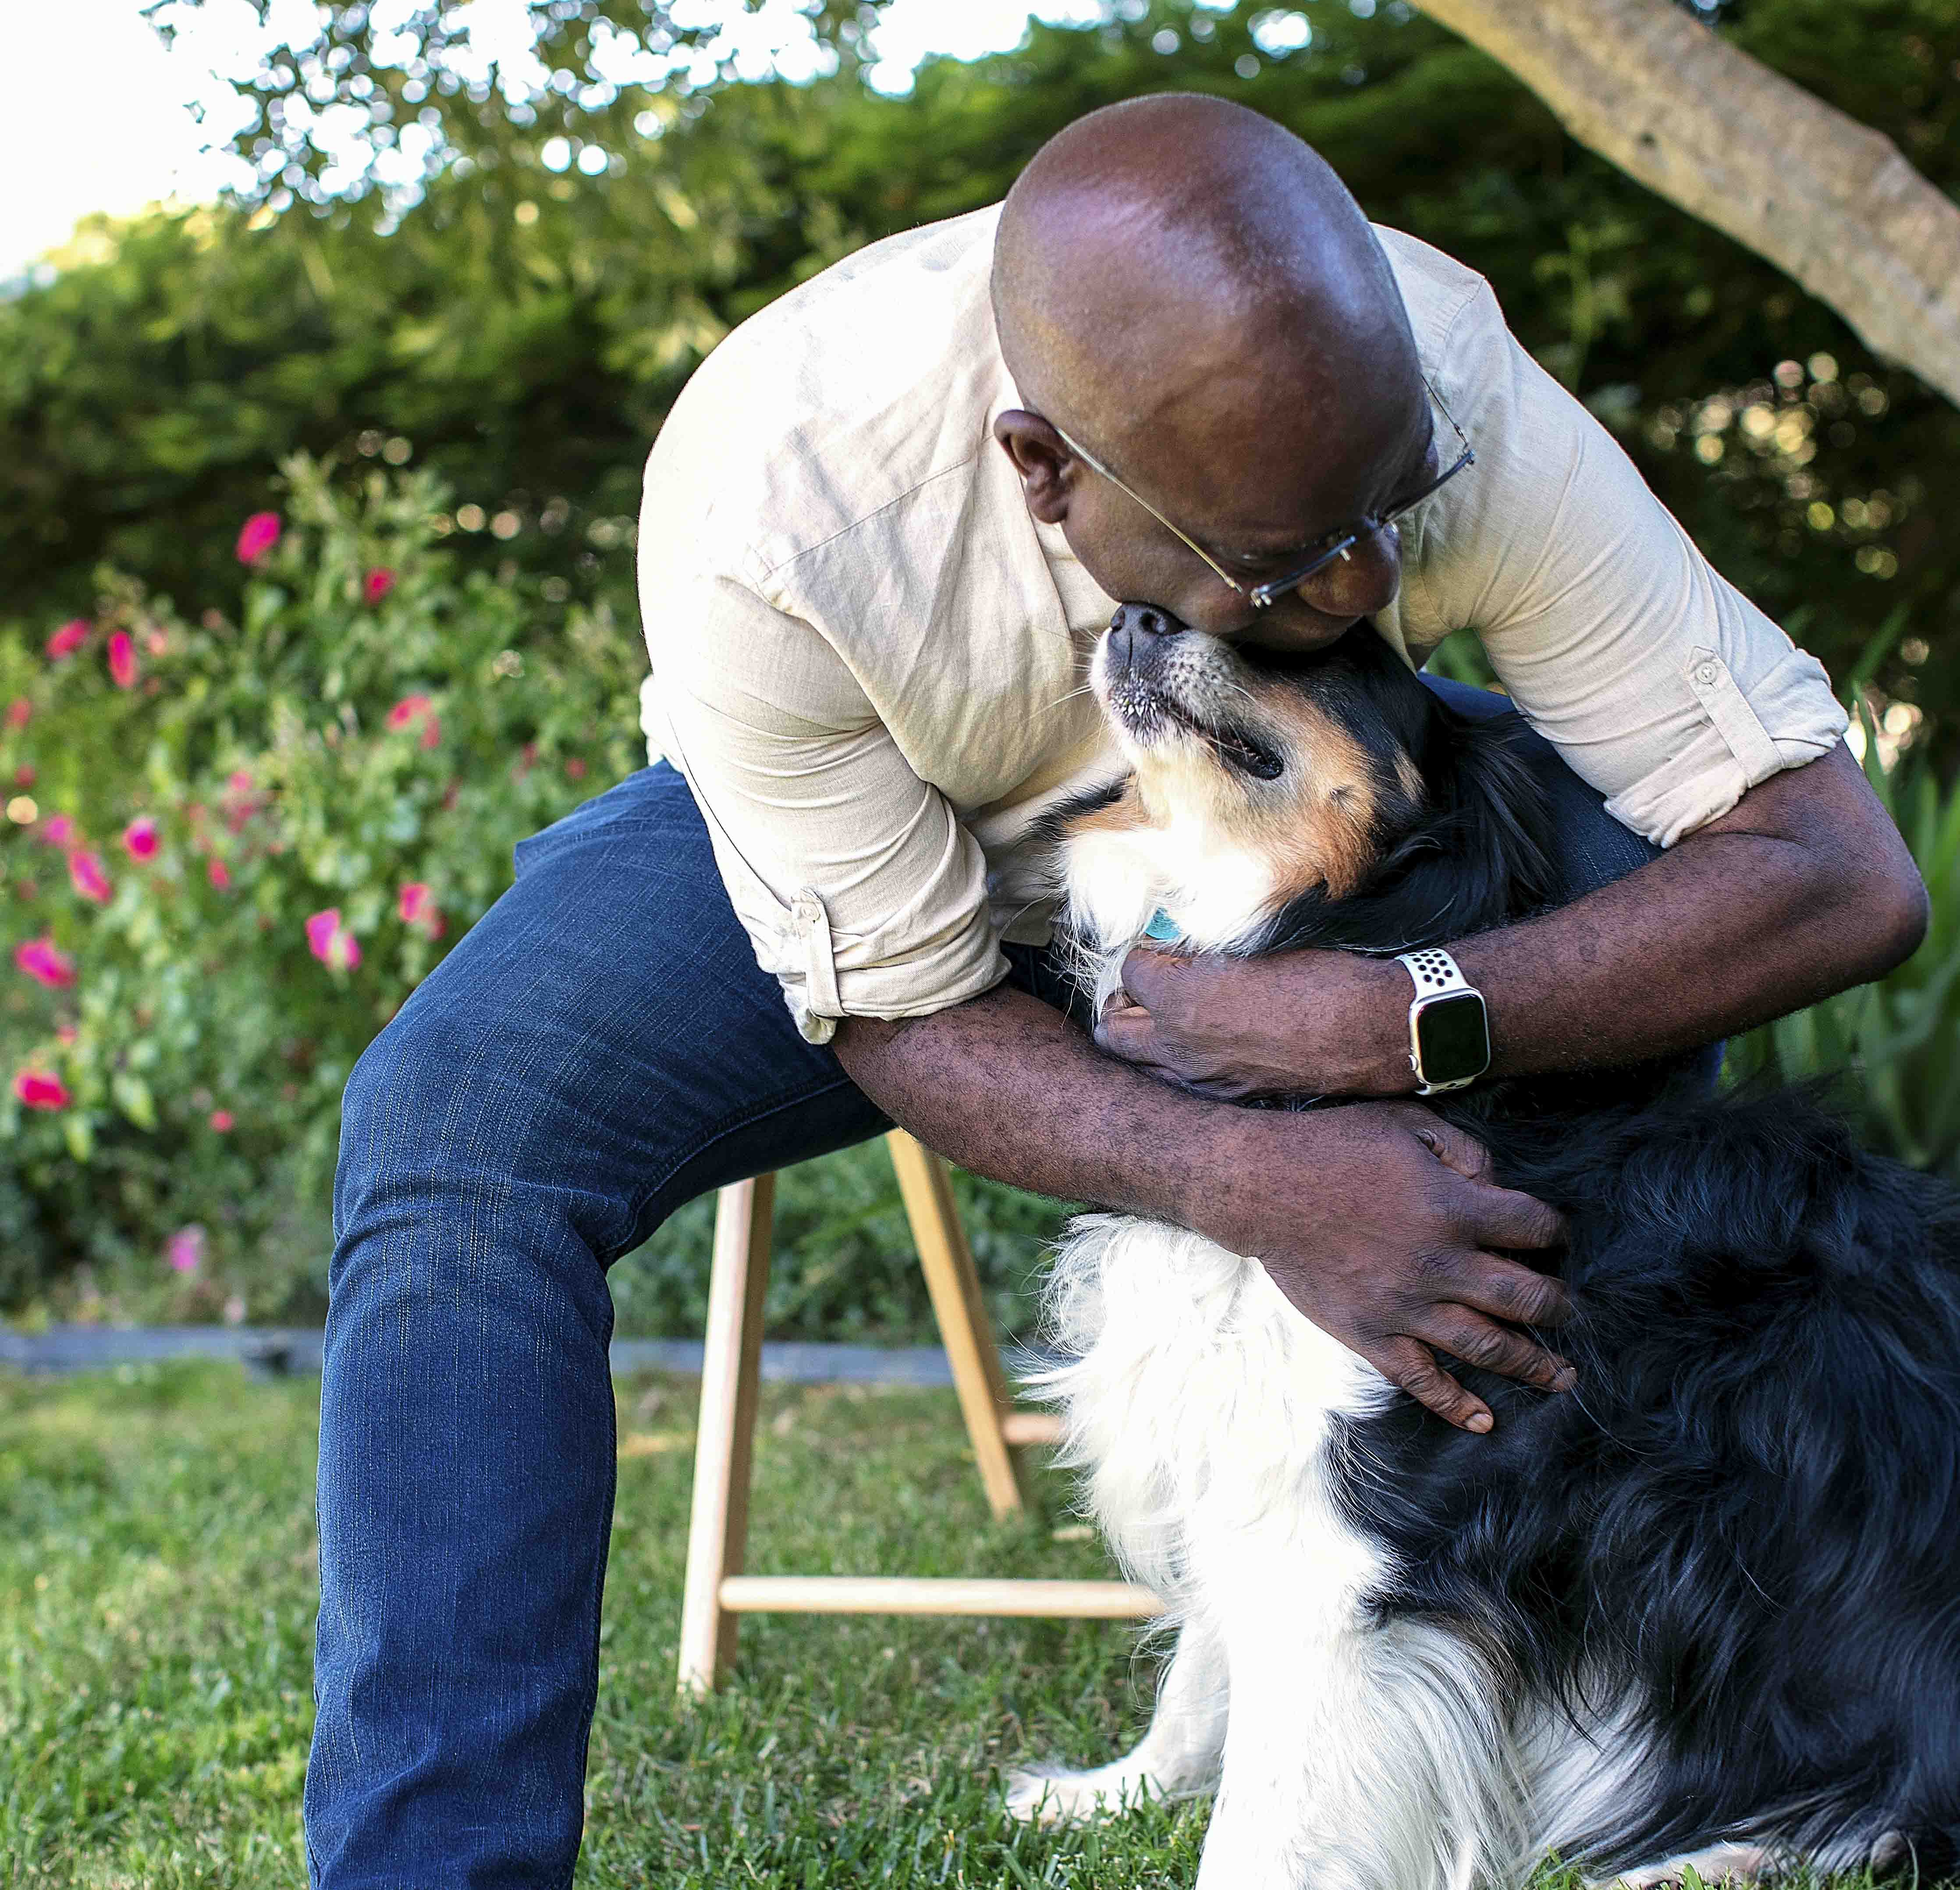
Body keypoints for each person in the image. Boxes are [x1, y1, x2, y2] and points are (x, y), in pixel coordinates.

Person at [302, 94, 1926, 1883]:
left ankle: (1678, 1690)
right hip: (902, 876)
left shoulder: (1430, 380)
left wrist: (1409, 1012)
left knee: (1631, 926)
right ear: (1044, 470)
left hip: (1287, 890)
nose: (1368, 580)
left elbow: (1824, 868)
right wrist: (1248, 1172)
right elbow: (908, 1004)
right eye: (1285, 558)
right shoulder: (776, 508)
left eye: (1381, 517)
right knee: (453, 1133)